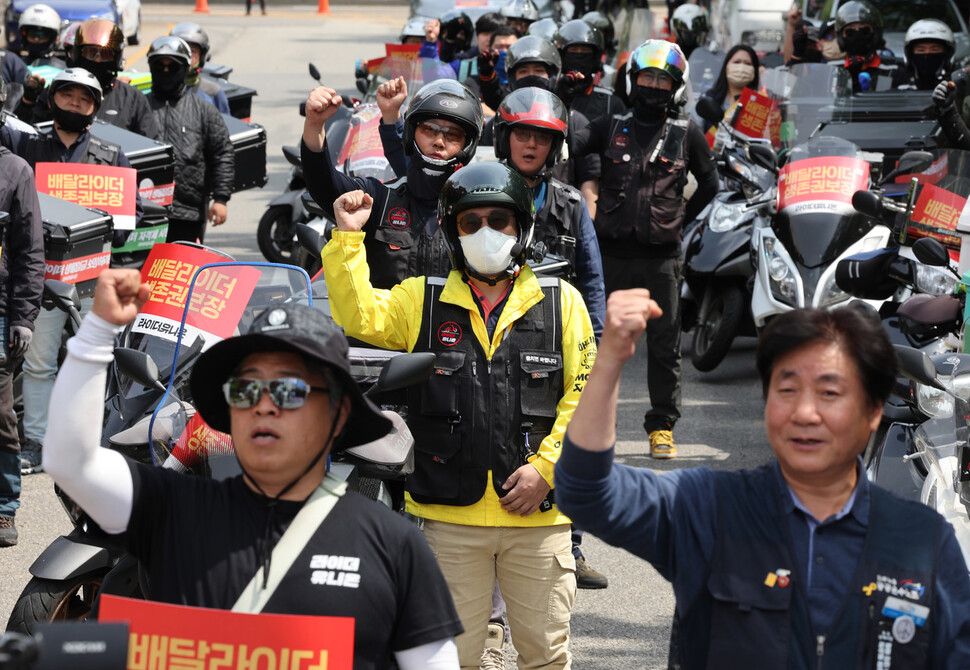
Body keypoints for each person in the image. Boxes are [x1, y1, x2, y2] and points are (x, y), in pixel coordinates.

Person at [43, 272, 463, 669]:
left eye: (289, 389)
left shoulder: (396, 547)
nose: (264, 403)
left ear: (337, 416)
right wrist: (96, 334)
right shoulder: (173, 510)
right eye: (246, 388)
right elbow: (71, 462)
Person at [555, 298, 970, 668]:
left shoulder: (923, 541)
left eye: (830, 393)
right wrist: (610, 358)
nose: (805, 412)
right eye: (787, 389)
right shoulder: (707, 509)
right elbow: (585, 490)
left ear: (874, 411)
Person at [323, 162, 591, 669]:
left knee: (546, 657)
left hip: (539, 520)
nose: (485, 232)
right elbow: (358, 315)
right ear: (451, 231)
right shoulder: (420, 300)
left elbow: (588, 399)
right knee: (453, 660)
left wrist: (546, 469)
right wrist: (347, 240)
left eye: (499, 220)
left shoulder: (563, 304)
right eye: (471, 223)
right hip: (448, 522)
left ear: (522, 228)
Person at [571, 39, 718, 458]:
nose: (653, 85)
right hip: (608, 257)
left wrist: (680, 220)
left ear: (675, 87)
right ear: (632, 81)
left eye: (662, 79)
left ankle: (662, 427)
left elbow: (711, 184)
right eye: (647, 76)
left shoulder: (686, 132)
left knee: (665, 347)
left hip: (662, 261)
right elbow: (567, 148)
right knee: (595, 343)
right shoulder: (609, 128)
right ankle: (599, 425)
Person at [0, 68, 142, 476]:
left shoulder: (111, 154)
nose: (75, 104)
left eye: (84, 99)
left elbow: (129, 218)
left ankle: (93, 440)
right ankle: (38, 441)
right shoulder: (27, 145)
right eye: (67, 96)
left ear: (96, 108)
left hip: (92, 277)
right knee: (39, 362)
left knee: (97, 358)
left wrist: (111, 218)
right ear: (53, 100)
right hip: (42, 275)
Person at [302, 78, 483, 288]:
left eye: (453, 135)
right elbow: (323, 183)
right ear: (411, 133)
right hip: (384, 321)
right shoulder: (378, 198)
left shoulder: (479, 209)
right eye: (429, 130)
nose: (439, 142)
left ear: (468, 145)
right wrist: (314, 125)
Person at [0, 78, 44, 547]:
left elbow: (31, 253)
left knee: (0, 418)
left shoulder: (15, 171)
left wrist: (22, 318)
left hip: (0, 315)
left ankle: (5, 507)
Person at [145, 36, 233, 243]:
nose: (166, 71)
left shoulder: (204, 110)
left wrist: (221, 199)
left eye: (172, 66)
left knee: (181, 273)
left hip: (188, 213)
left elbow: (222, 154)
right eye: (160, 66)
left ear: (184, 69)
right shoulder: (139, 107)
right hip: (143, 213)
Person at [15, 19, 161, 141]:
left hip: (113, 173)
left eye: (104, 54)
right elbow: (23, 139)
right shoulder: (56, 91)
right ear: (77, 53)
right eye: (91, 52)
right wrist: (28, 102)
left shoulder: (133, 99)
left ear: (115, 58)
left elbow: (150, 145)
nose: (97, 59)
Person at [553, 19, 627, 218]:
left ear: (596, 58)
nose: (578, 59)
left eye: (584, 54)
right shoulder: (550, 99)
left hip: (603, 197)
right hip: (557, 193)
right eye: (573, 52)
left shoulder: (612, 103)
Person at [169, 22, 232, 115]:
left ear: (201, 57)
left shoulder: (213, 93)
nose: (187, 57)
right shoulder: (157, 91)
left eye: (193, 52)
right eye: (182, 51)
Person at [834, 0, 897, 92]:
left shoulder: (891, 71)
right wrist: (851, 77)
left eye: (864, 30)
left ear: (876, 34)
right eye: (850, 32)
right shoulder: (833, 71)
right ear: (841, 37)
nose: (857, 35)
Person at [696, 44, 760, 124]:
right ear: (726, 67)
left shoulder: (759, 104)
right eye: (737, 62)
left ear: (754, 71)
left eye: (747, 64)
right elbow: (695, 130)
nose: (741, 68)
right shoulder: (708, 99)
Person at [895, 19, 956, 91]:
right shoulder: (898, 79)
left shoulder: (956, 82)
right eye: (921, 50)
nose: (927, 53)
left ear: (947, 54)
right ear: (910, 54)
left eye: (934, 49)